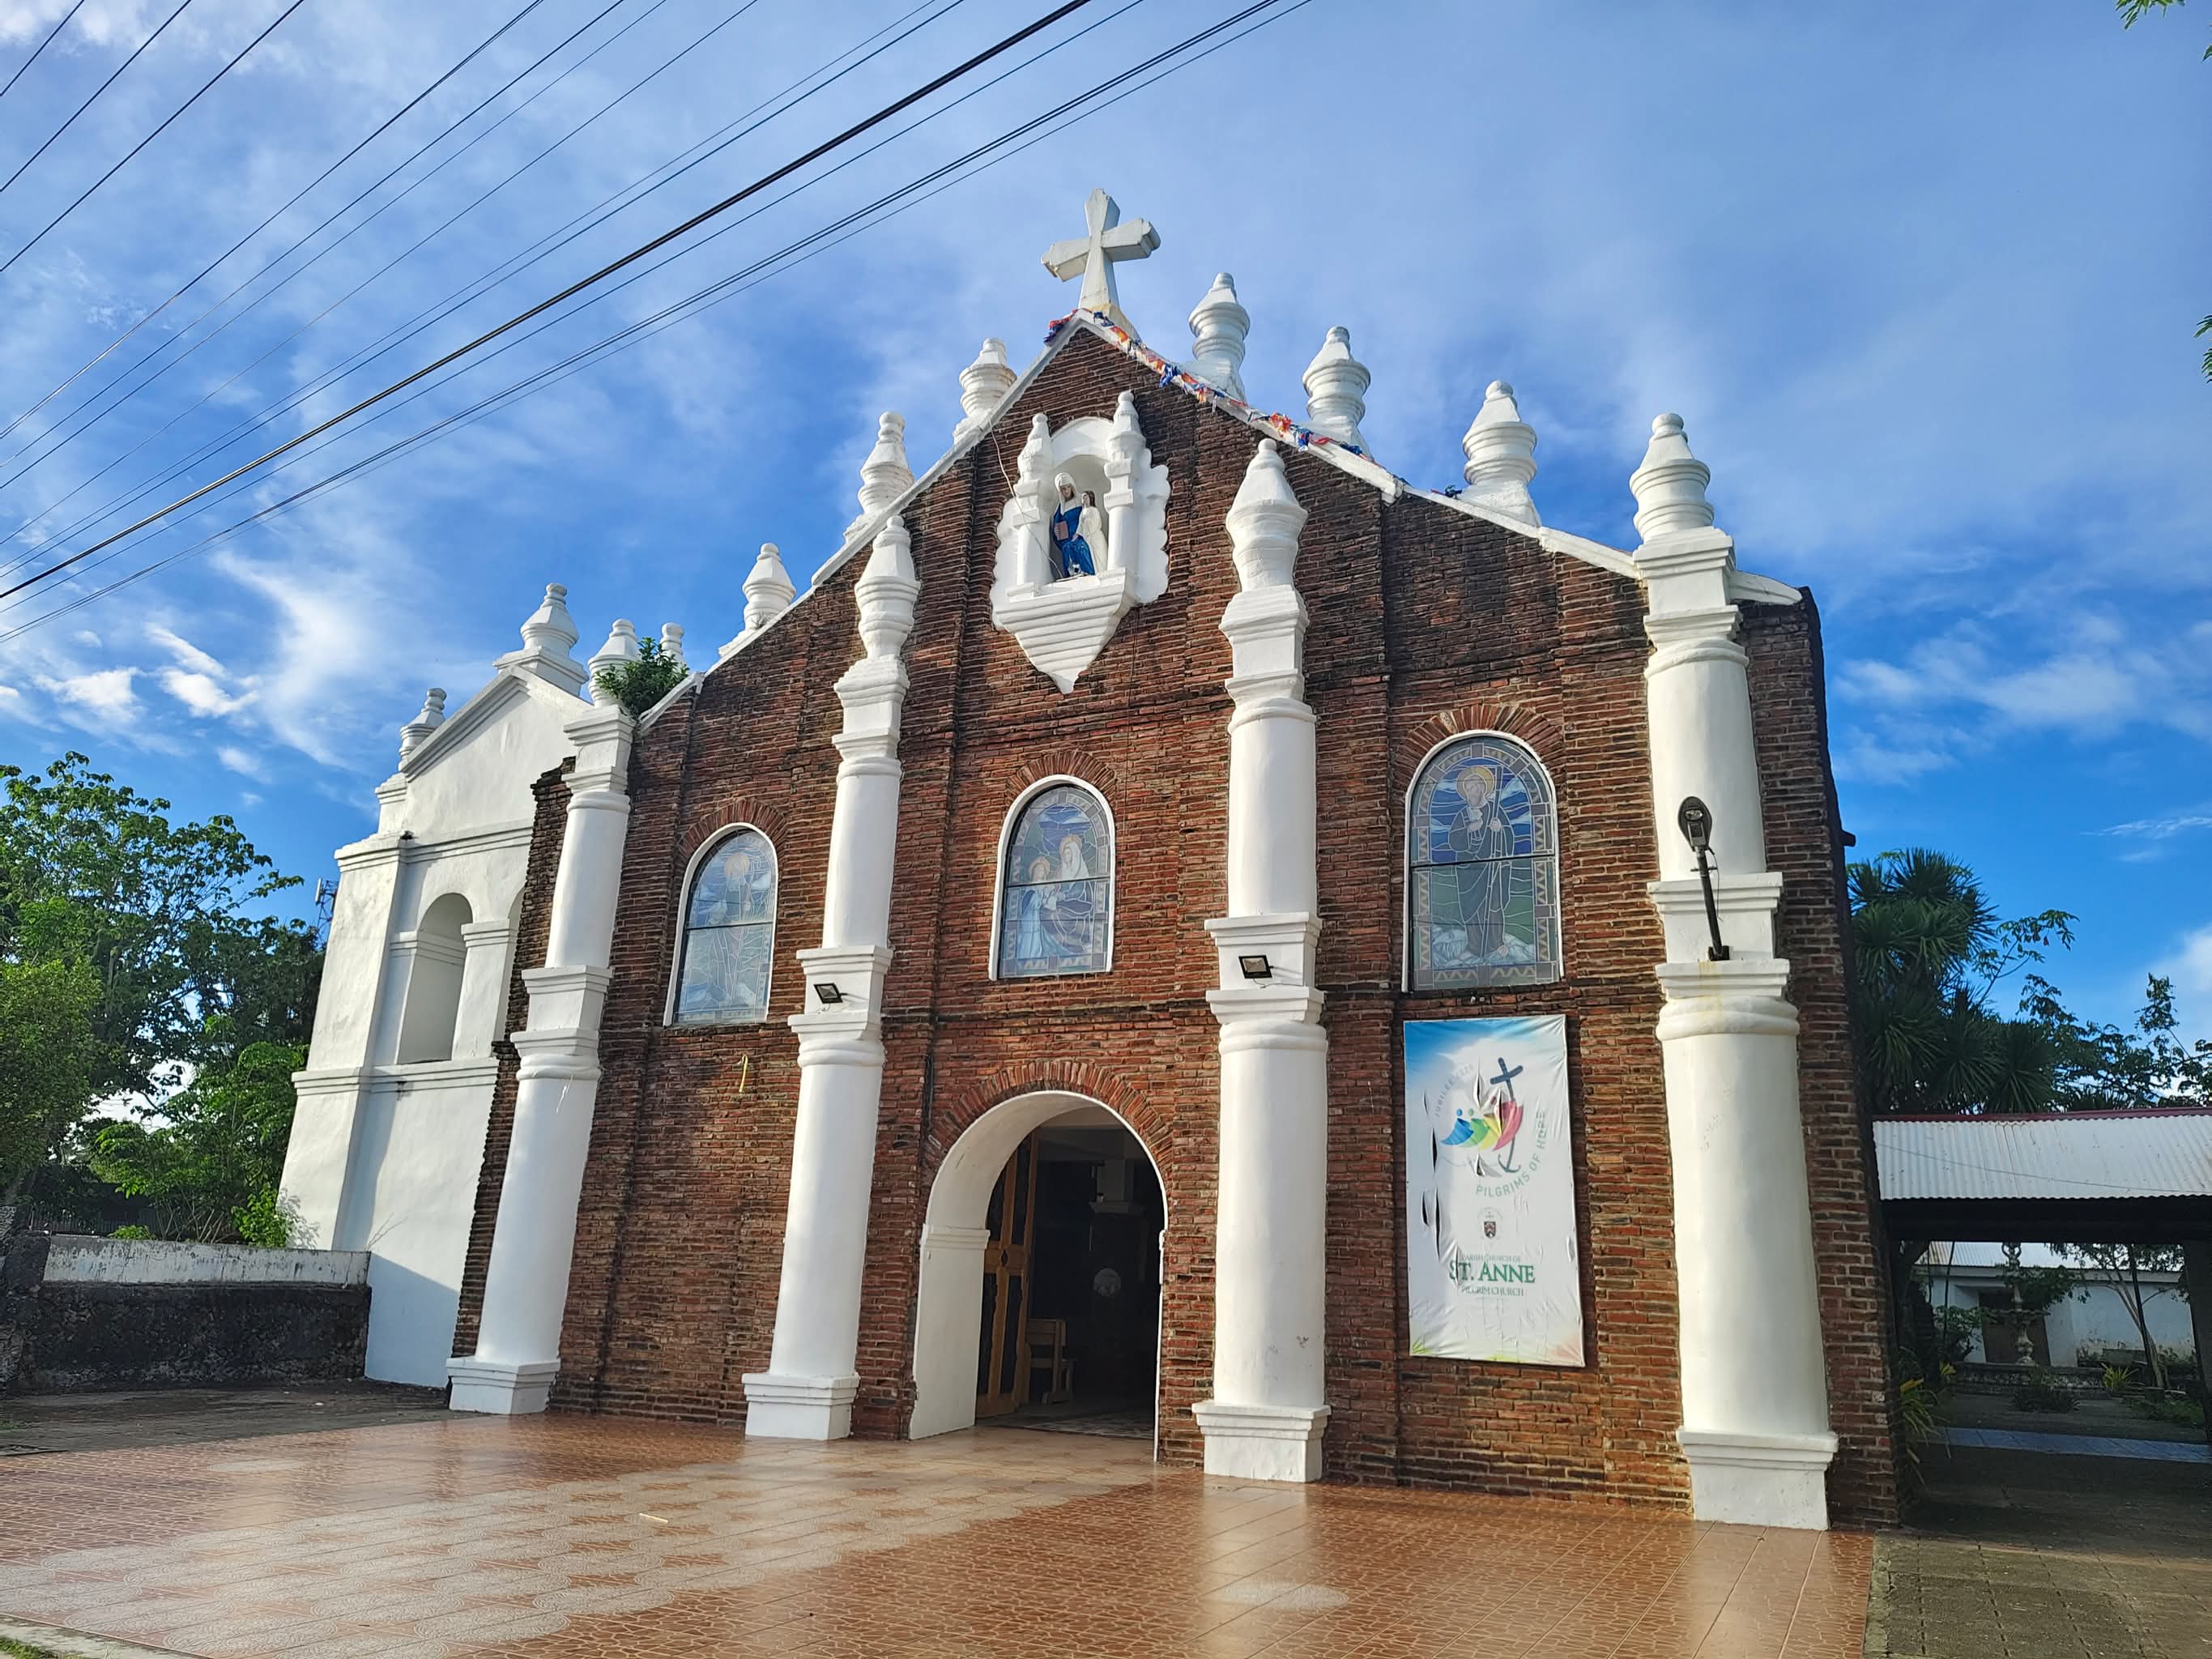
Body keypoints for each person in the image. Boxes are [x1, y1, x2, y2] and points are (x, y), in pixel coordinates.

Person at [1049, 474, 1098, 578]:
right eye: (1063, 489)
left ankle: (1088, 571)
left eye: (1068, 487)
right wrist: (1056, 531)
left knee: (1081, 547)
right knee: (1067, 548)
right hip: (1068, 538)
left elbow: (1089, 513)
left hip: (1082, 535)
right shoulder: (1061, 507)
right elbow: (1057, 524)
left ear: (1072, 487)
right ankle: (1075, 573)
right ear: (1060, 491)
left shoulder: (1081, 500)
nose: (1066, 491)